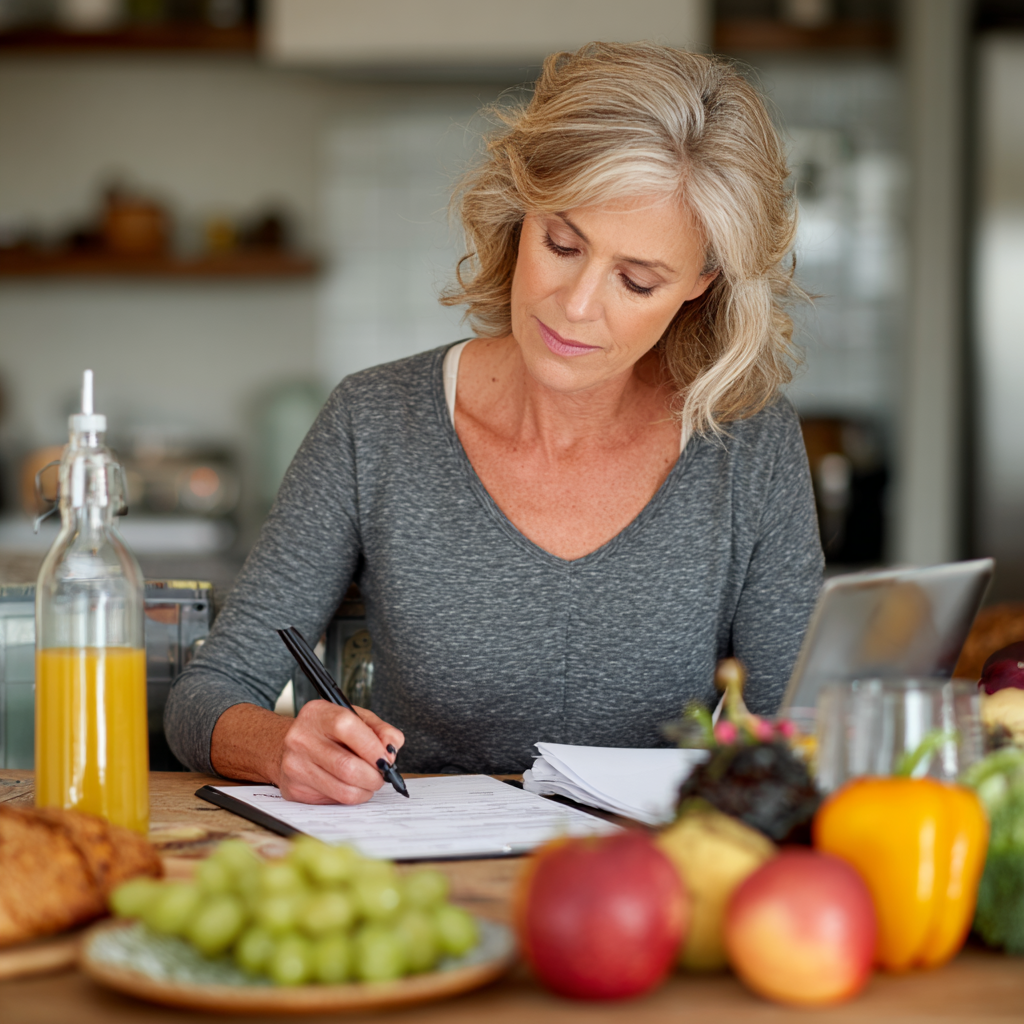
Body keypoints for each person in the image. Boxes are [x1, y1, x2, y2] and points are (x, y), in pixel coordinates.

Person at [165, 42, 824, 805]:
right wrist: (284, 746)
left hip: (666, 867)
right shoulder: (374, 422)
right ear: (518, 212)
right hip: (422, 862)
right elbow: (207, 695)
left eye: (637, 280)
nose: (577, 305)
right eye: (562, 244)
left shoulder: (749, 443)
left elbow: (794, 734)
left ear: (702, 282)